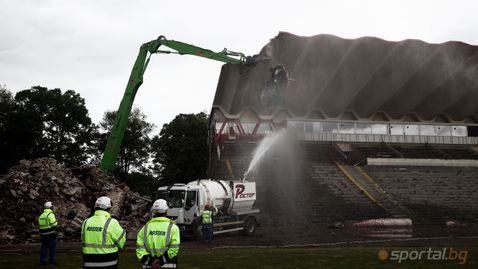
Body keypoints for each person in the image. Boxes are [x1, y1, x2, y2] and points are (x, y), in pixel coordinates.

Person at [81, 196, 126, 269]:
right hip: (109, 263)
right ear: (108, 208)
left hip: (88, 263)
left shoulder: (86, 222)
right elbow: (121, 243)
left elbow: (83, 241)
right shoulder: (112, 222)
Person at [136, 199, 180, 269]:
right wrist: (160, 261)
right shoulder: (173, 228)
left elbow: (140, 250)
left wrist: (150, 262)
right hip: (168, 264)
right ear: (166, 211)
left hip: (149, 265)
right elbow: (174, 249)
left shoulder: (144, 228)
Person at [38, 201, 58, 265]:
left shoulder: (41, 216)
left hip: (43, 235)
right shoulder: (50, 215)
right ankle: (52, 261)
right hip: (51, 234)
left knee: (43, 248)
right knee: (52, 248)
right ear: (51, 207)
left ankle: (42, 261)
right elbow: (54, 224)